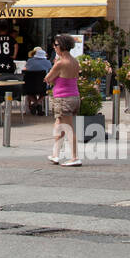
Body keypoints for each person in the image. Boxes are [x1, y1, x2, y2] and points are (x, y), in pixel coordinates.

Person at [44, 33, 81, 166]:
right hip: (74, 97)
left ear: (62, 46)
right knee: (59, 124)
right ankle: (55, 154)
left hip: (63, 98)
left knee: (68, 128)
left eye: (56, 45)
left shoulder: (60, 63)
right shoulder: (75, 61)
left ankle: (75, 157)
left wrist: (54, 69)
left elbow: (48, 79)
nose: (54, 47)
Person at [23, 45, 53, 115]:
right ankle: (38, 103)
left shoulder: (29, 61)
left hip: (30, 87)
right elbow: (50, 71)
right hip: (42, 86)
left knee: (29, 92)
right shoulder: (47, 62)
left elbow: (25, 70)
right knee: (44, 92)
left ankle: (35, 104)